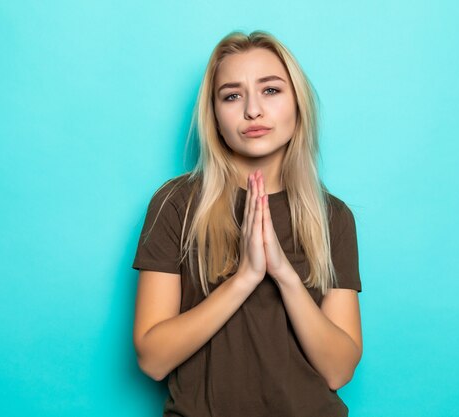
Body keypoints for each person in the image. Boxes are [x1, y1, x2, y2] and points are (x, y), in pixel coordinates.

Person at [131, 30, 363, 417]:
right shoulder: (176, 204)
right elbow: (152, 360)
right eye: (232, 95)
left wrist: (284, 275)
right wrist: (245, 278)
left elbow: (338, 371)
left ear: (298, 104)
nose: (252, 110)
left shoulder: (333, 217)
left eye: (270, 90)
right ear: (215, 115)